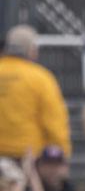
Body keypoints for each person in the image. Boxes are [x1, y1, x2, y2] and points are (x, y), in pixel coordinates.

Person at [0, 24, 71, 160]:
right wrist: (63, 152)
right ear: (31, 50)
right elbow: (54, 121)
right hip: (26, 156)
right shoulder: (40, 78)